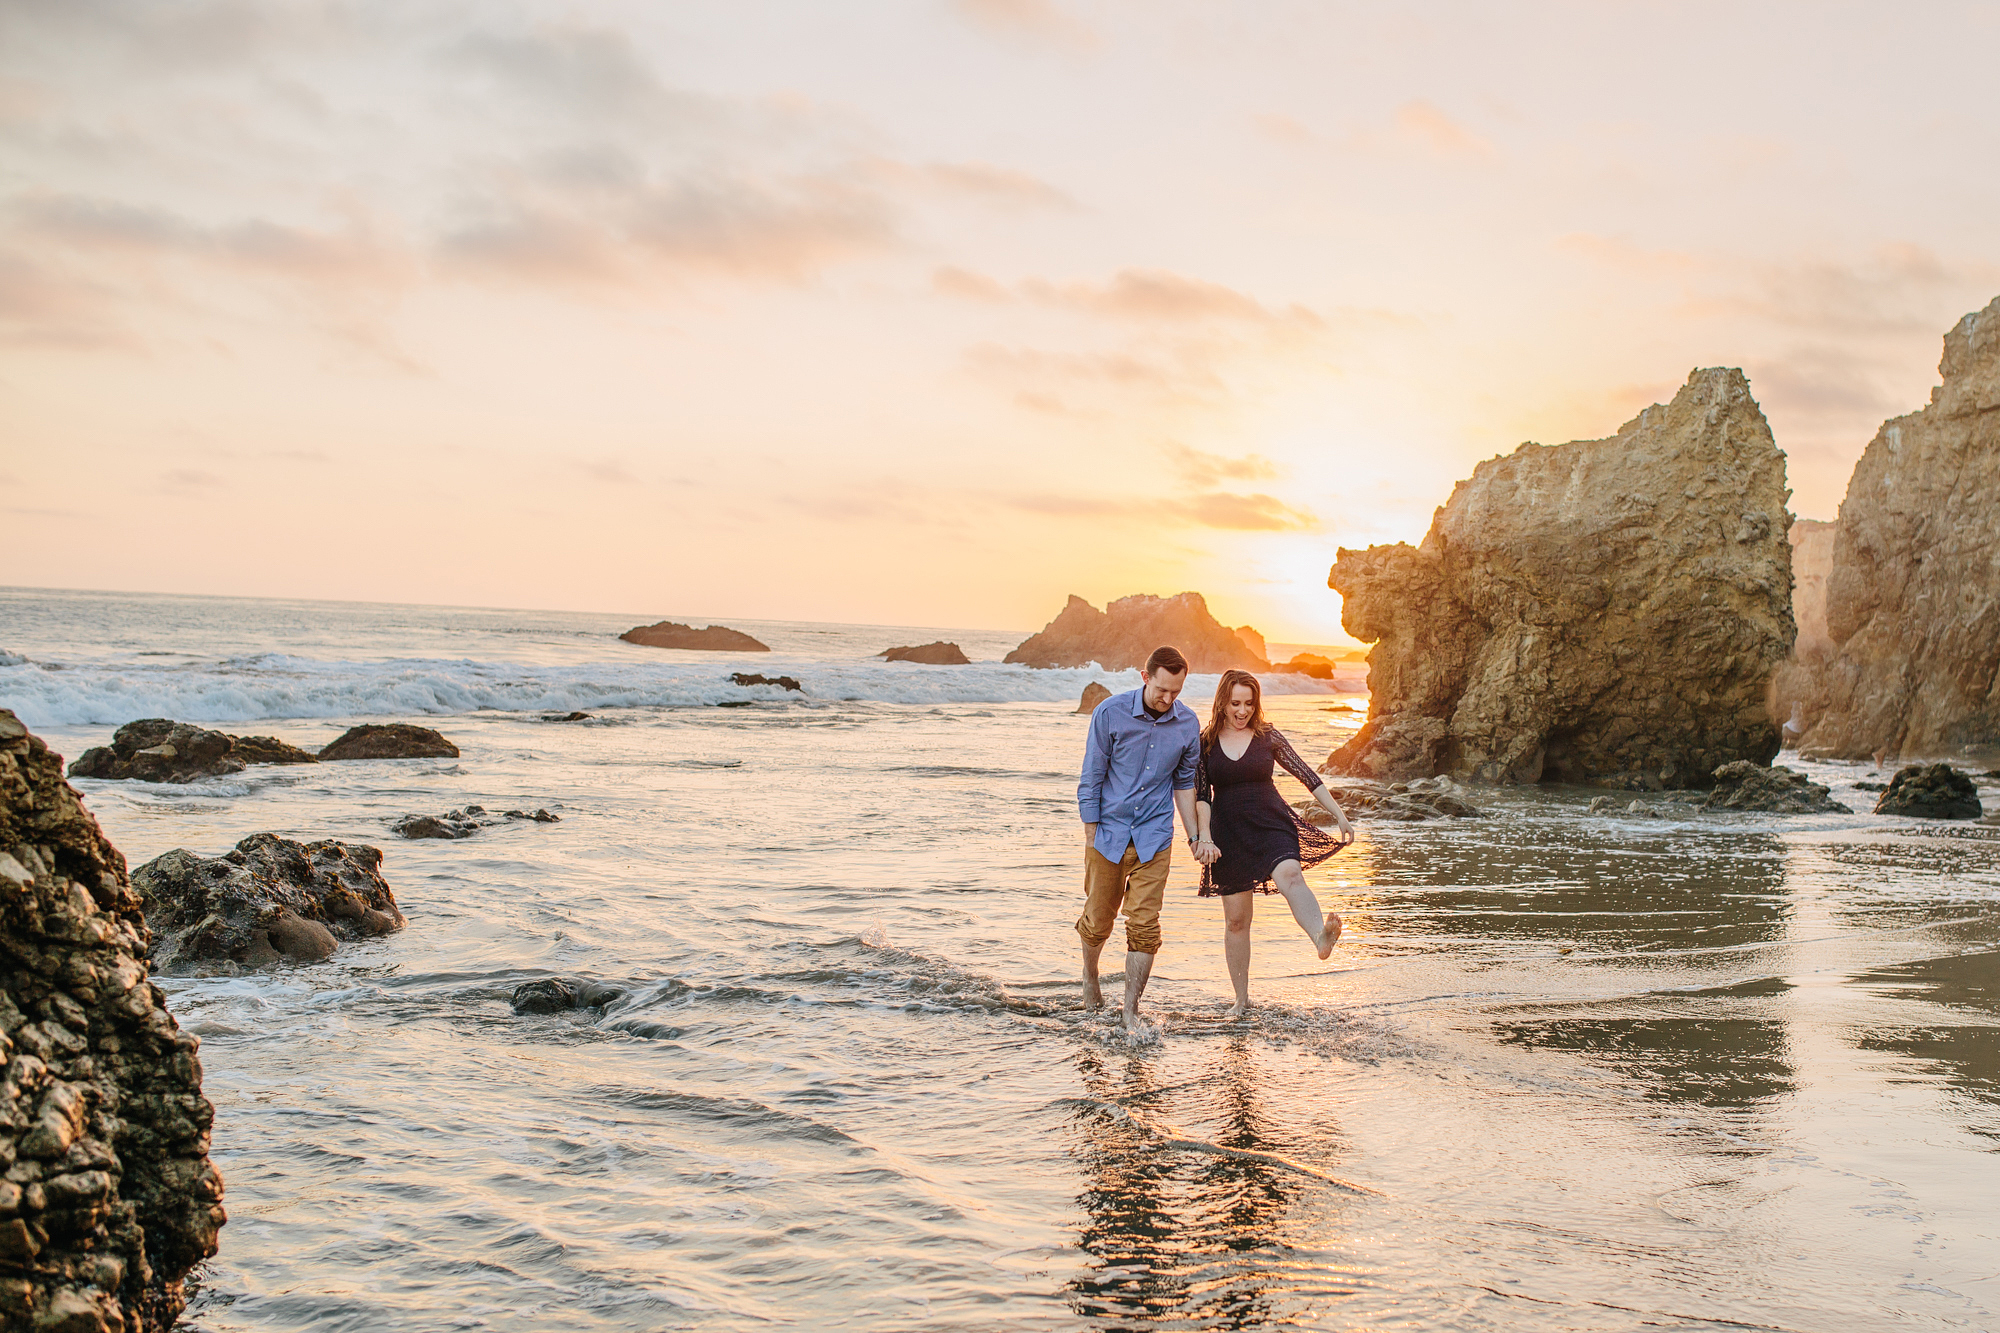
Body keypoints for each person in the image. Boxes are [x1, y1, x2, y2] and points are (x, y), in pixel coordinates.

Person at [1191, 668, 1355, 1017]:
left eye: (1249, 703)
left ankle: (1320, 939)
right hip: (1228, 833)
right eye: (1235, 703)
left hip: (1270, 822)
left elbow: (1306, 775)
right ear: (1222, 701)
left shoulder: (1267, 736)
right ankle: (1241, 999)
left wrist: (1339, 815)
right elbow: (1202, 796)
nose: (1242, 710)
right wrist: (1203, 836)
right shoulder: (1204, 743)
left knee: (1291, 875)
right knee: (1237, 921)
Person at [1076, 645, 1203, 1032]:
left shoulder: (1187, 725)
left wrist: (1195, 836)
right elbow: (1092, 775)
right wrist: (1091, 832)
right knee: (1099, 921)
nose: (1168, 699)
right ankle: (1090, 976)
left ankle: (1130, 1011)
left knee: (1146, 926)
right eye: (1162, 689)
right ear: (1145, 677)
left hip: (1155, 837)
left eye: (1176, 692)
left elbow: (1184, 786)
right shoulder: (1109, 713)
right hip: (1108, 835)